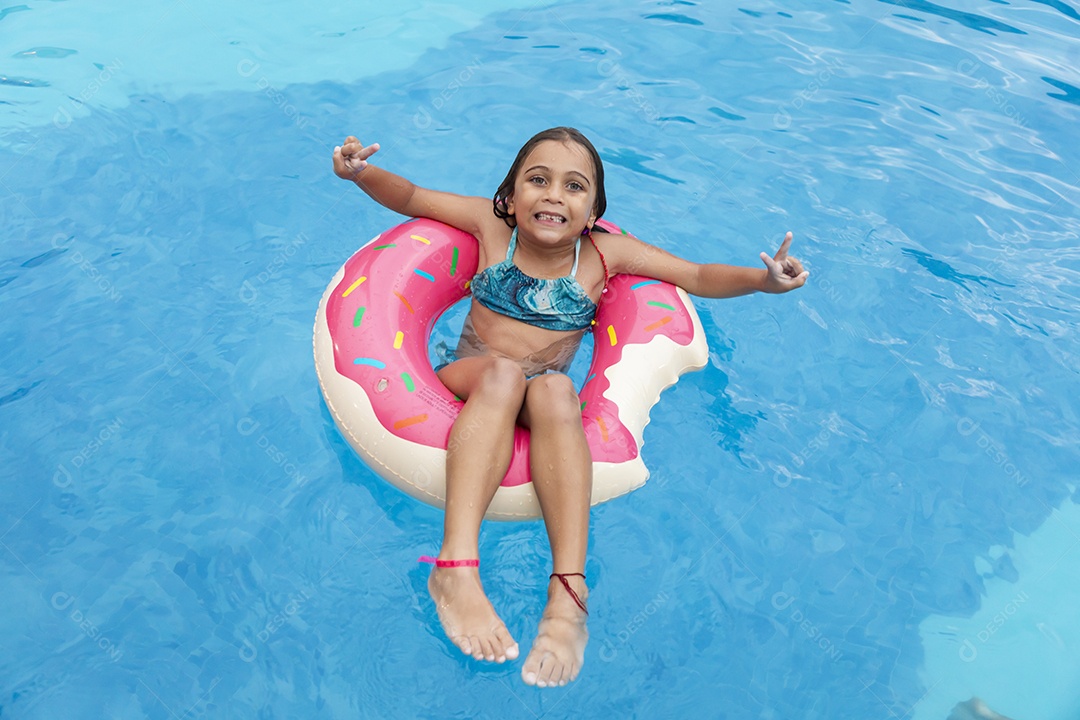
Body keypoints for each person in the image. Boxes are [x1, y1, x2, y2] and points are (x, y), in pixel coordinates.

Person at [332, 127, 808, 688]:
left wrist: (764, 282)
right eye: (538, 180)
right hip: (469, 378)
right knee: (505, 374)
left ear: (594, 212)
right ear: (509, 196)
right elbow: (412, 196)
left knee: (557, 390)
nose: (554, 194)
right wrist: (360, 173)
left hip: (537, 388)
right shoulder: (491, 225)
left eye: (574, 186)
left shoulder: (607, 255)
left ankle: (568, 591)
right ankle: (455, 567)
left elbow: (697, 275)